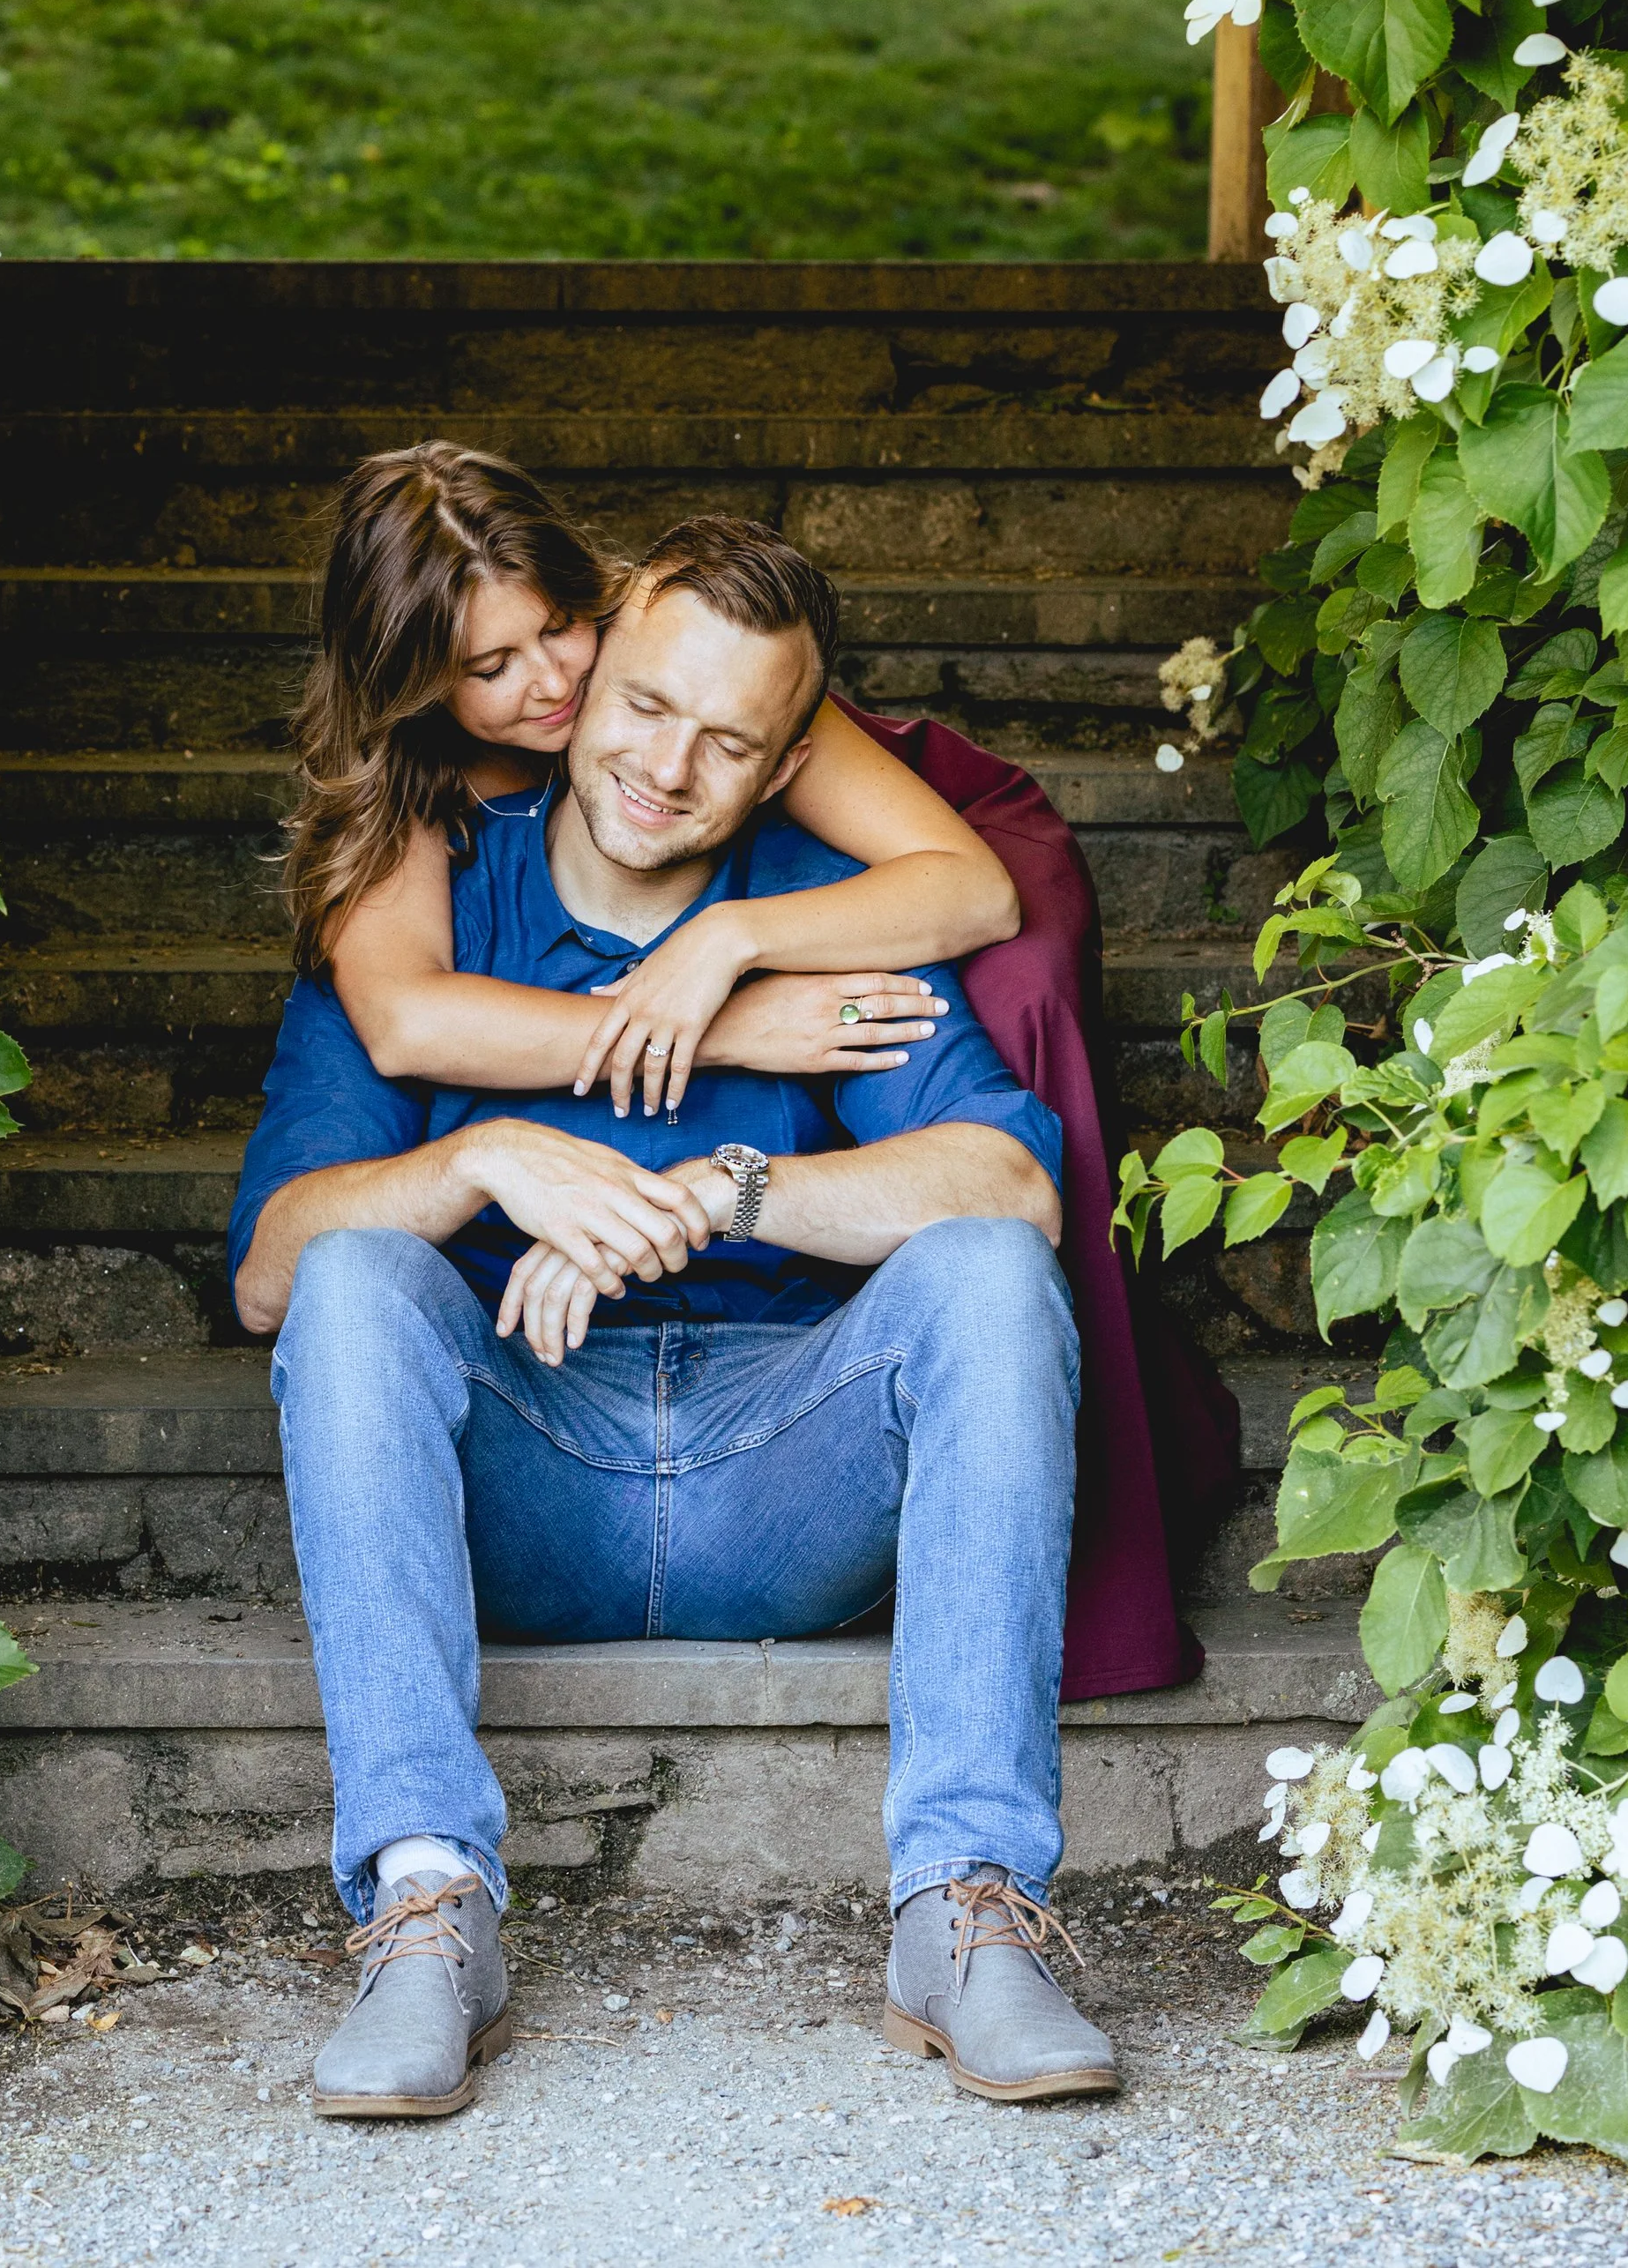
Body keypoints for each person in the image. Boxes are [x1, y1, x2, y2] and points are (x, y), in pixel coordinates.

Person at [231, 507, 1116, 2120]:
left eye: (727, 741)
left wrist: (721, 1192)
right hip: (527, 1455)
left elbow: (1012, 1183)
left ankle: (968, 1910)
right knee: (360, 1275)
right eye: (643, 707)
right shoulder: (426, 907)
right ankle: (427, 1908)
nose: (666, 767)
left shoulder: (828, 907)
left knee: (990, 1270)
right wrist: (484, 1158)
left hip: (793, 1460)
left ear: (785, 764)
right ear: (586, 684)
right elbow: (273, 1270)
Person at [292, 442, 1026, 1122]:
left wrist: (727, 938)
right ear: (413, 687)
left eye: (558, 626)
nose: (553, 684)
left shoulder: (683, 643)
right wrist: (719, 1030)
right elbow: (404, 1024)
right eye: (493, 668)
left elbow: (976, 892)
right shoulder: (397, 765)